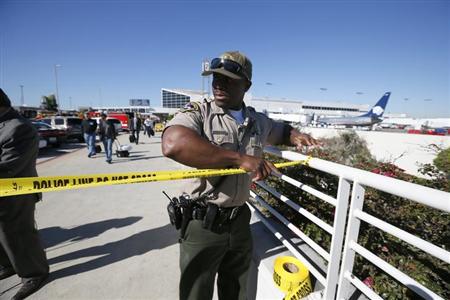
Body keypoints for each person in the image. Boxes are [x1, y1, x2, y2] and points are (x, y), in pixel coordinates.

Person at [161, 51, 319, 300]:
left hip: (239, 221)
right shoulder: (199, 113)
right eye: (215, 77)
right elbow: (173, 143)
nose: (218, 84)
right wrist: (240, 159)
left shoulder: (255, 120)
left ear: (247, 84)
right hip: (203, 222)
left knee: (236, 292)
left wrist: (296, 135)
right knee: (195, 294)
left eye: (228, 78)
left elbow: (280, 131)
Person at [0, 88, 49, 299]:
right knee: (2, 236)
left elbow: (8, 167)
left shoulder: (18, 128)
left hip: (15, 195)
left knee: (18, 235)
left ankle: (34, 273)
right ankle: (9, 264)